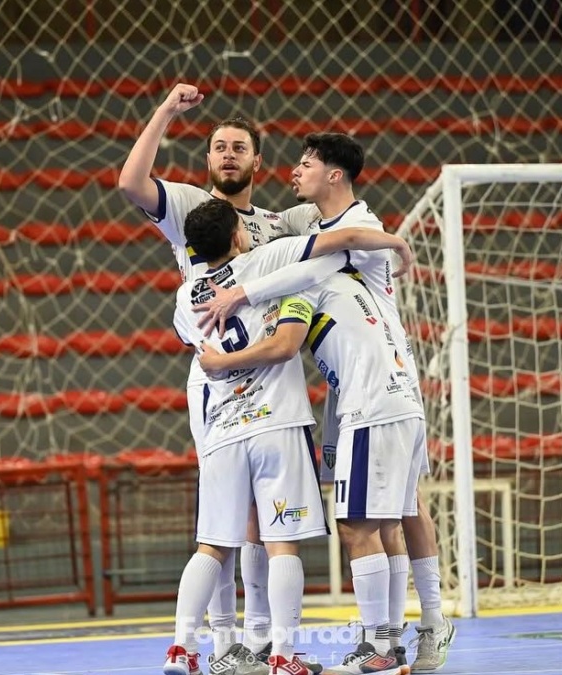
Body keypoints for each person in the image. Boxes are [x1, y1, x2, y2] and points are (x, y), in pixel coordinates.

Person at [194, 133, 456, 672]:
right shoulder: (314, 227)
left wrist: (238, 291)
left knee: (366, 523)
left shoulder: (357, 232)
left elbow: (307, 272)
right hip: (371, 390)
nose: (294, 171)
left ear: (335, 174)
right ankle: (408, 632)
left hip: (372, 389)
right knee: (393, 515)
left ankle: (386, 642)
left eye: (306, 163)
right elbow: (283, 234)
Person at [119, 82, 328, 672]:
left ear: (258, 161)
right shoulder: (190, 207)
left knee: (249, 521)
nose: (229, 153)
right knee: (239, 519)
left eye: (240, 146)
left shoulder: (275, 223)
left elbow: (318, 221)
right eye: (219, 146)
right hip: (226, 385)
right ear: (207, 160)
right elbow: (132, 185)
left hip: (236, 368)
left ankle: (255, 641)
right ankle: (225, 641)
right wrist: (163, 111)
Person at [166, 198, 416, 675]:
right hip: (276, 424)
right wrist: (394, 241)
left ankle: (181, 649)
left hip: (220, 430)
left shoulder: (184, 297)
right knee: (283, 545)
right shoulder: (267, 259)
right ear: (239, 235)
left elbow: (194, 344)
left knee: (212, 546)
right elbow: (342, 240)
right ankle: (282, 656)